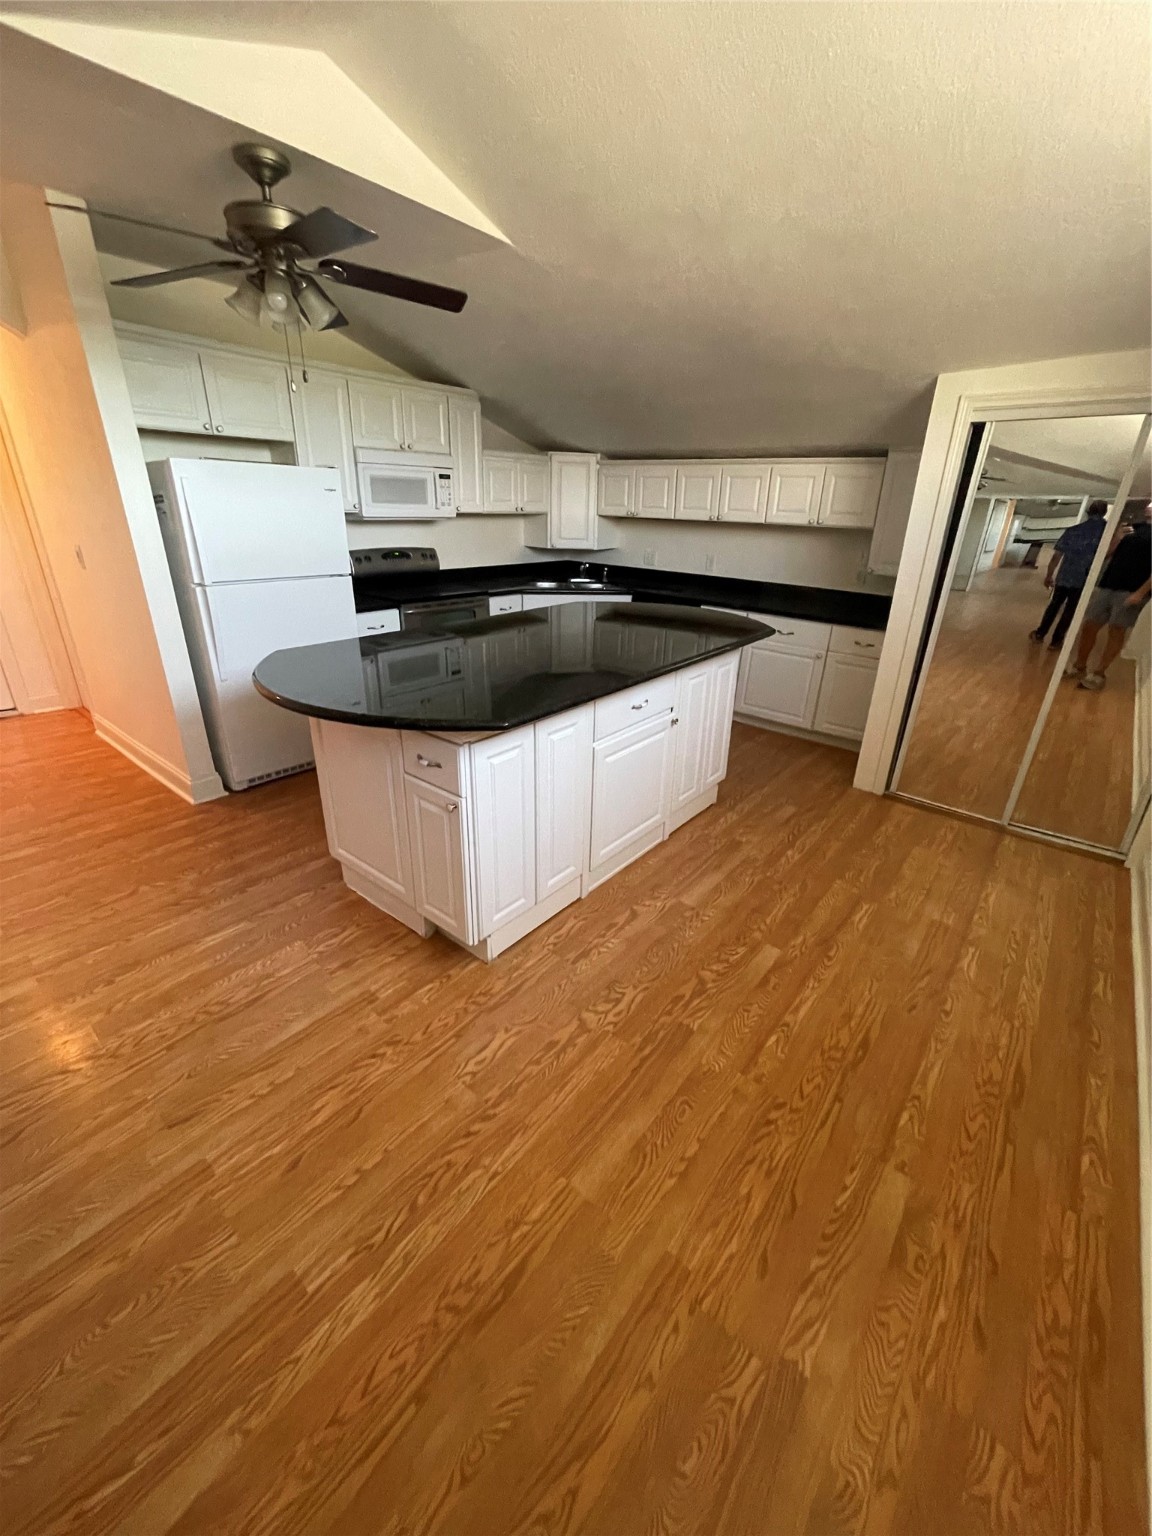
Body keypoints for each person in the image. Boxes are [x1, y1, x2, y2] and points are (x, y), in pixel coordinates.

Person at [1065, 503, 1152, 690]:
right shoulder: (1132, 529)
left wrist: (1140, 593)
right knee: (1090, 625)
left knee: (1116, 630)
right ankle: (1080, 666)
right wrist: (1117, 538)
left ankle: (1099, 673)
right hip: (1108, 584)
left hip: (1131, 590)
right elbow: (1106, 554)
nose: (1149, 506)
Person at [1029, 500, 1109, 649]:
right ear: (1104, 512)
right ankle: (1056, 641)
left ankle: (1040, 634)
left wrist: (1049, 575)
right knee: (1071, 609)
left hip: (1065, 575)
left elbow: (1057, 556)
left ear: (1088, 512)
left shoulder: (1073, 530)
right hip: (1086, 578)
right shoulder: (1107, 532)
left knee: (1054, 605)